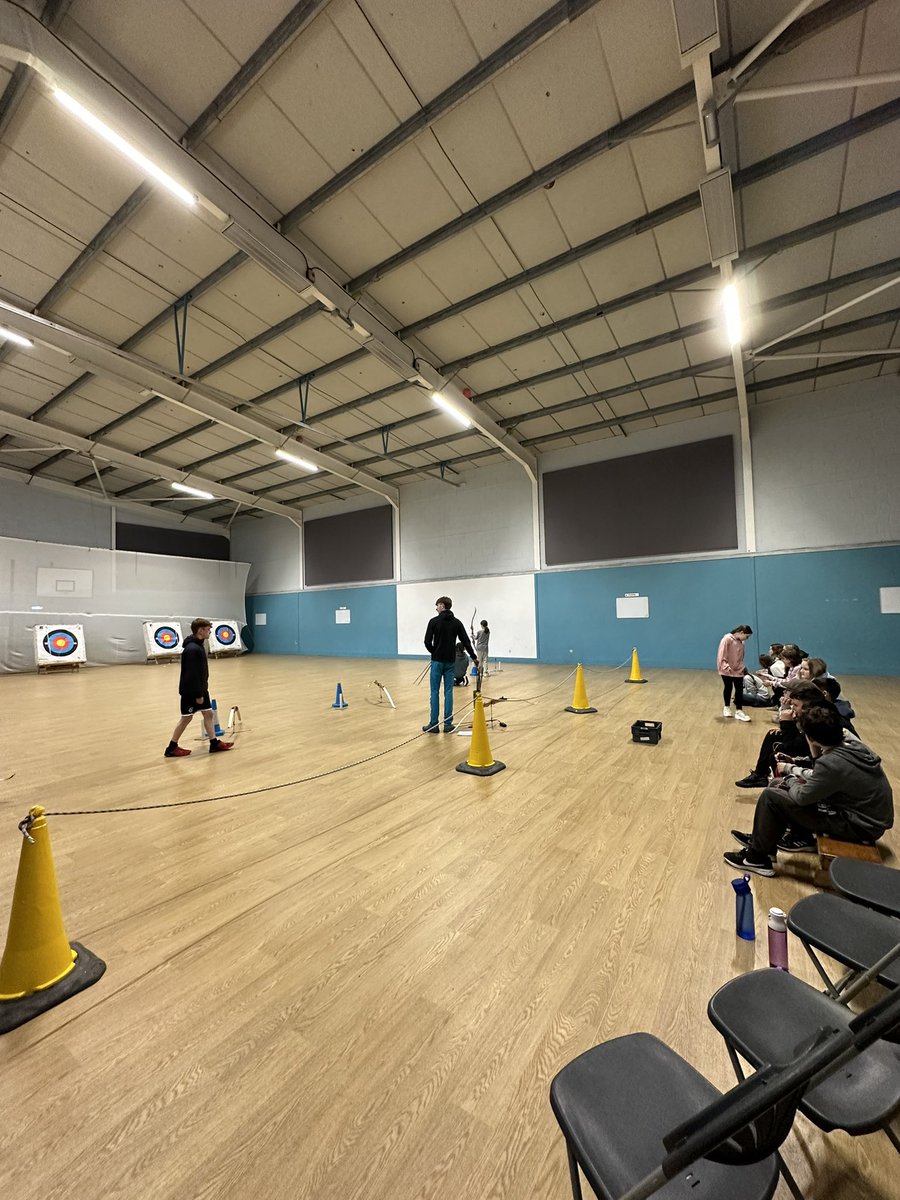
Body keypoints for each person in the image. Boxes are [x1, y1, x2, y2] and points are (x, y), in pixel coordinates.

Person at [724, 705, 894, 876]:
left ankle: (756, 858)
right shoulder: (850, 744)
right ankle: (765, 845)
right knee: (777, 784)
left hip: (859, 826)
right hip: (863, 818)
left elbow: (802, 797)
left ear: (810, 737)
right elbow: (821, 777)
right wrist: (793, 768)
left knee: (771, 795)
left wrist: (789, 777)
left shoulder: (832, 763)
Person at [164, 618, 234, 757]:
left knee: (208, 714)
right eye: (208, 630)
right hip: (192, 691)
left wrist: (202, 691)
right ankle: (171, 747)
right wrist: (198, 695)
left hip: (201, 689)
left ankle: (214, 743)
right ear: (200, 630)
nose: (210, 632)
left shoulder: (198, 645)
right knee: (186, 718)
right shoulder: (192, 649)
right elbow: (192, 674)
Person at [423, 597, 478, 733]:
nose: (436, 608)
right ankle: (448, 724)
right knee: (449, 692)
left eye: (437, 605)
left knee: (434, 692)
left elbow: (427, 642)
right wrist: (474, 657)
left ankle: (434, 724)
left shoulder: (433, 621)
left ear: (442, 605)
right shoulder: (457, 623)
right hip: (450, 662)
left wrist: (434, 652)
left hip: (437, 662)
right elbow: (466, 641)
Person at [717, 624, 753, 722]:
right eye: (747, 636)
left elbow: (741, 656)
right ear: (741, 632)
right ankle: (726, 707)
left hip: (738, 669)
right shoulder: (727, 639)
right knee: (728, 687)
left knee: (739, 689)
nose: (747, 638)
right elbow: (721, 654)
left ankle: (739, 711)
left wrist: (743, 667)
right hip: (727, 669)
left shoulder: (742, 642)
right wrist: (725, 666)